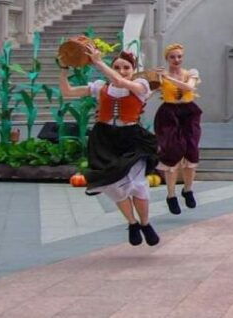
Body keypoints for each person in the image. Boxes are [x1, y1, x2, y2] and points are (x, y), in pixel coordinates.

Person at [58, 48, 159, 246]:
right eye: (118, 67)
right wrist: (63, 69)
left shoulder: (141, 85)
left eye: (126, 67)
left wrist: (98, 63)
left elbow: (121, 83)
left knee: (137, 184)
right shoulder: (100, 87)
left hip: (132, 138)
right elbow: (67, 91)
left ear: (133, 70)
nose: (121, 71)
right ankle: (132, 223)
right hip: (105, 138)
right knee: (114, 186)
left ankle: (145, 223)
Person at [154, 43, 202, 215]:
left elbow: (189, 87)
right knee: (172, 152)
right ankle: (171, 195)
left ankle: (188, 189)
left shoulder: (191, 73)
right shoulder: (161, 75)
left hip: (188, 112)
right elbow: (148, 89)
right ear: (167, 58)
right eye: (173, 57)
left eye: (179, 56)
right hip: (169, 112)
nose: (176, 60)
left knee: (191, 150)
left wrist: (167, 78)